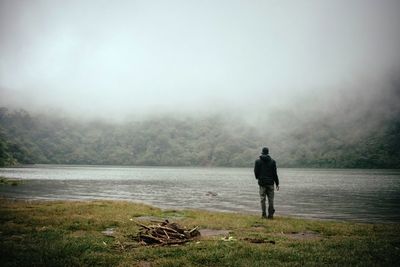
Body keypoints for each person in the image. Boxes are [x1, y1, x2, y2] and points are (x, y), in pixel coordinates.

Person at [254, 147, 279, 219]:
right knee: (271, 199)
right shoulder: (273, 161)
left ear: (262, 152)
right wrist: (277, 183)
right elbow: (275, 173)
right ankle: (270, 215)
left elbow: (256, 172)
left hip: (262, 183)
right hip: (270, 183)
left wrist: (258, 178)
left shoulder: (257, 161)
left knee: (262, 199)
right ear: (268, 153)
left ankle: (263, 214)